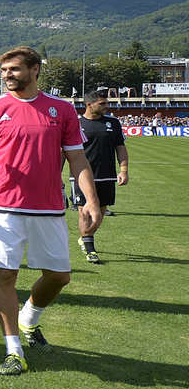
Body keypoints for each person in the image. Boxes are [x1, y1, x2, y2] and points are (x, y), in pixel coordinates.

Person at [0, 46, 101, 376]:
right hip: (4, 207)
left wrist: (91, 200)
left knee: (59, 276)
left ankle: (29, 318)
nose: (6, 75)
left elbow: (77, 158)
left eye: (13, 69)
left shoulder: (61, 109)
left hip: (49, 207)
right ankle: (14, 350)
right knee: (5, 275)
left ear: (35, 69)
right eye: (3, 70)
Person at [72, 89, 129, 264]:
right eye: (102, 103)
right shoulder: (76, 123)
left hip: (106, 176)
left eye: (107, 103)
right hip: (81, 176)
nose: (107, 106)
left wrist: (124, 170)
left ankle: (85, 237)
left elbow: (120, 147)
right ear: (89, 104)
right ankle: (90, 249)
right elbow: (64, 151)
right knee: (85, 212)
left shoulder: (113, 122)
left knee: (99, 215)